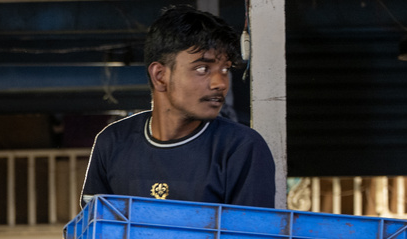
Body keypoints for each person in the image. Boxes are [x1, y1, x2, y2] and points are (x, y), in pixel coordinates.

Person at [81, 5, 276, 208]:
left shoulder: (242, 148)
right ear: (160, 76)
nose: (220, 83)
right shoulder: (112, 143)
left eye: (225, 69)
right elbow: (96, 234)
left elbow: (250, 237)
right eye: (203, 68)